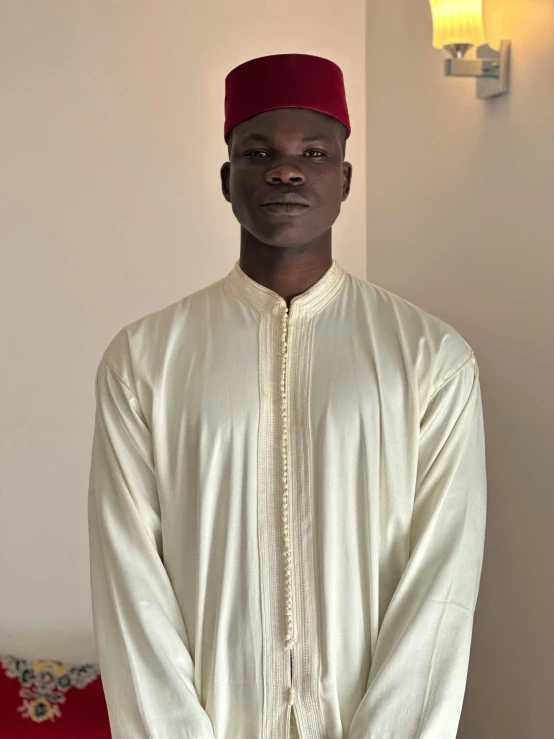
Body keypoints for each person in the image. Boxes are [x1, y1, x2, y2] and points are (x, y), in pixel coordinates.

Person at [87, 53, 487, 739]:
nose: (287, 168)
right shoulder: (145, 359)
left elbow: (441, 585)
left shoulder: (429, 358)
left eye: (314, 152)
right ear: (227, 179)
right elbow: (130, 585)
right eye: (259, 151)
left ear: (344, 178)